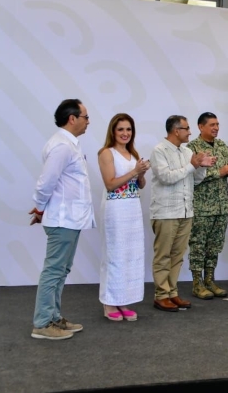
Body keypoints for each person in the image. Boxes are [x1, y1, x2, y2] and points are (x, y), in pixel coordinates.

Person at [29, 99, 95, 340]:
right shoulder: (62, 146)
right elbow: (46, 182)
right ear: (72, 118)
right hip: (63, 219)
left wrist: (41, 208)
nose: (88, 121)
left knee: (61, 269)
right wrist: (39, 207)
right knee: (54, 270)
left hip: (69, 219)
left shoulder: (69, 145)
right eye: (86, 117)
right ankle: (43, 322)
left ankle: (53, 317)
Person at [150, 115, 215, 312]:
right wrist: (192, 165)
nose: (190, 132)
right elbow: (166, 177)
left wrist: (202, 167)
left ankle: (172, 292)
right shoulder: (159, 151)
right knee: (163, 256)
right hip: (166, 212)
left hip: (186, 211)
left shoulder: (187, 151)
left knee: (177, 256)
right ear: (176, 131)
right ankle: (161, 295)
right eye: (186, 129)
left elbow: (194, 180)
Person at [98, 113, 150, 322]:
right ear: (113, 131)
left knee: (130, 254)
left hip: (132, 208)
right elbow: (110, 184)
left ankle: (122, 300)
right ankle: (109, 302)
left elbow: (140, 185)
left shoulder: (133, 154)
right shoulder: (106, 153)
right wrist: (134, 171)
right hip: (115, 209)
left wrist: (141, 174)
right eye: (121, 129)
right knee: (115, 254)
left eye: (128, 129)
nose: (125, 133)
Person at [187, 112, 228, 299]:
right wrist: (220, 171)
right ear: (200, 127)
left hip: (221, 206)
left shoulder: (222, 146)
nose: (216, 128)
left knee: (214, 246)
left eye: (217, 124)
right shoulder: (192, 148)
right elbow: (190, 177)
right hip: (202, 207)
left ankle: (210, 280)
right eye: (212, 125)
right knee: (198, 246)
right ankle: (197, 283)